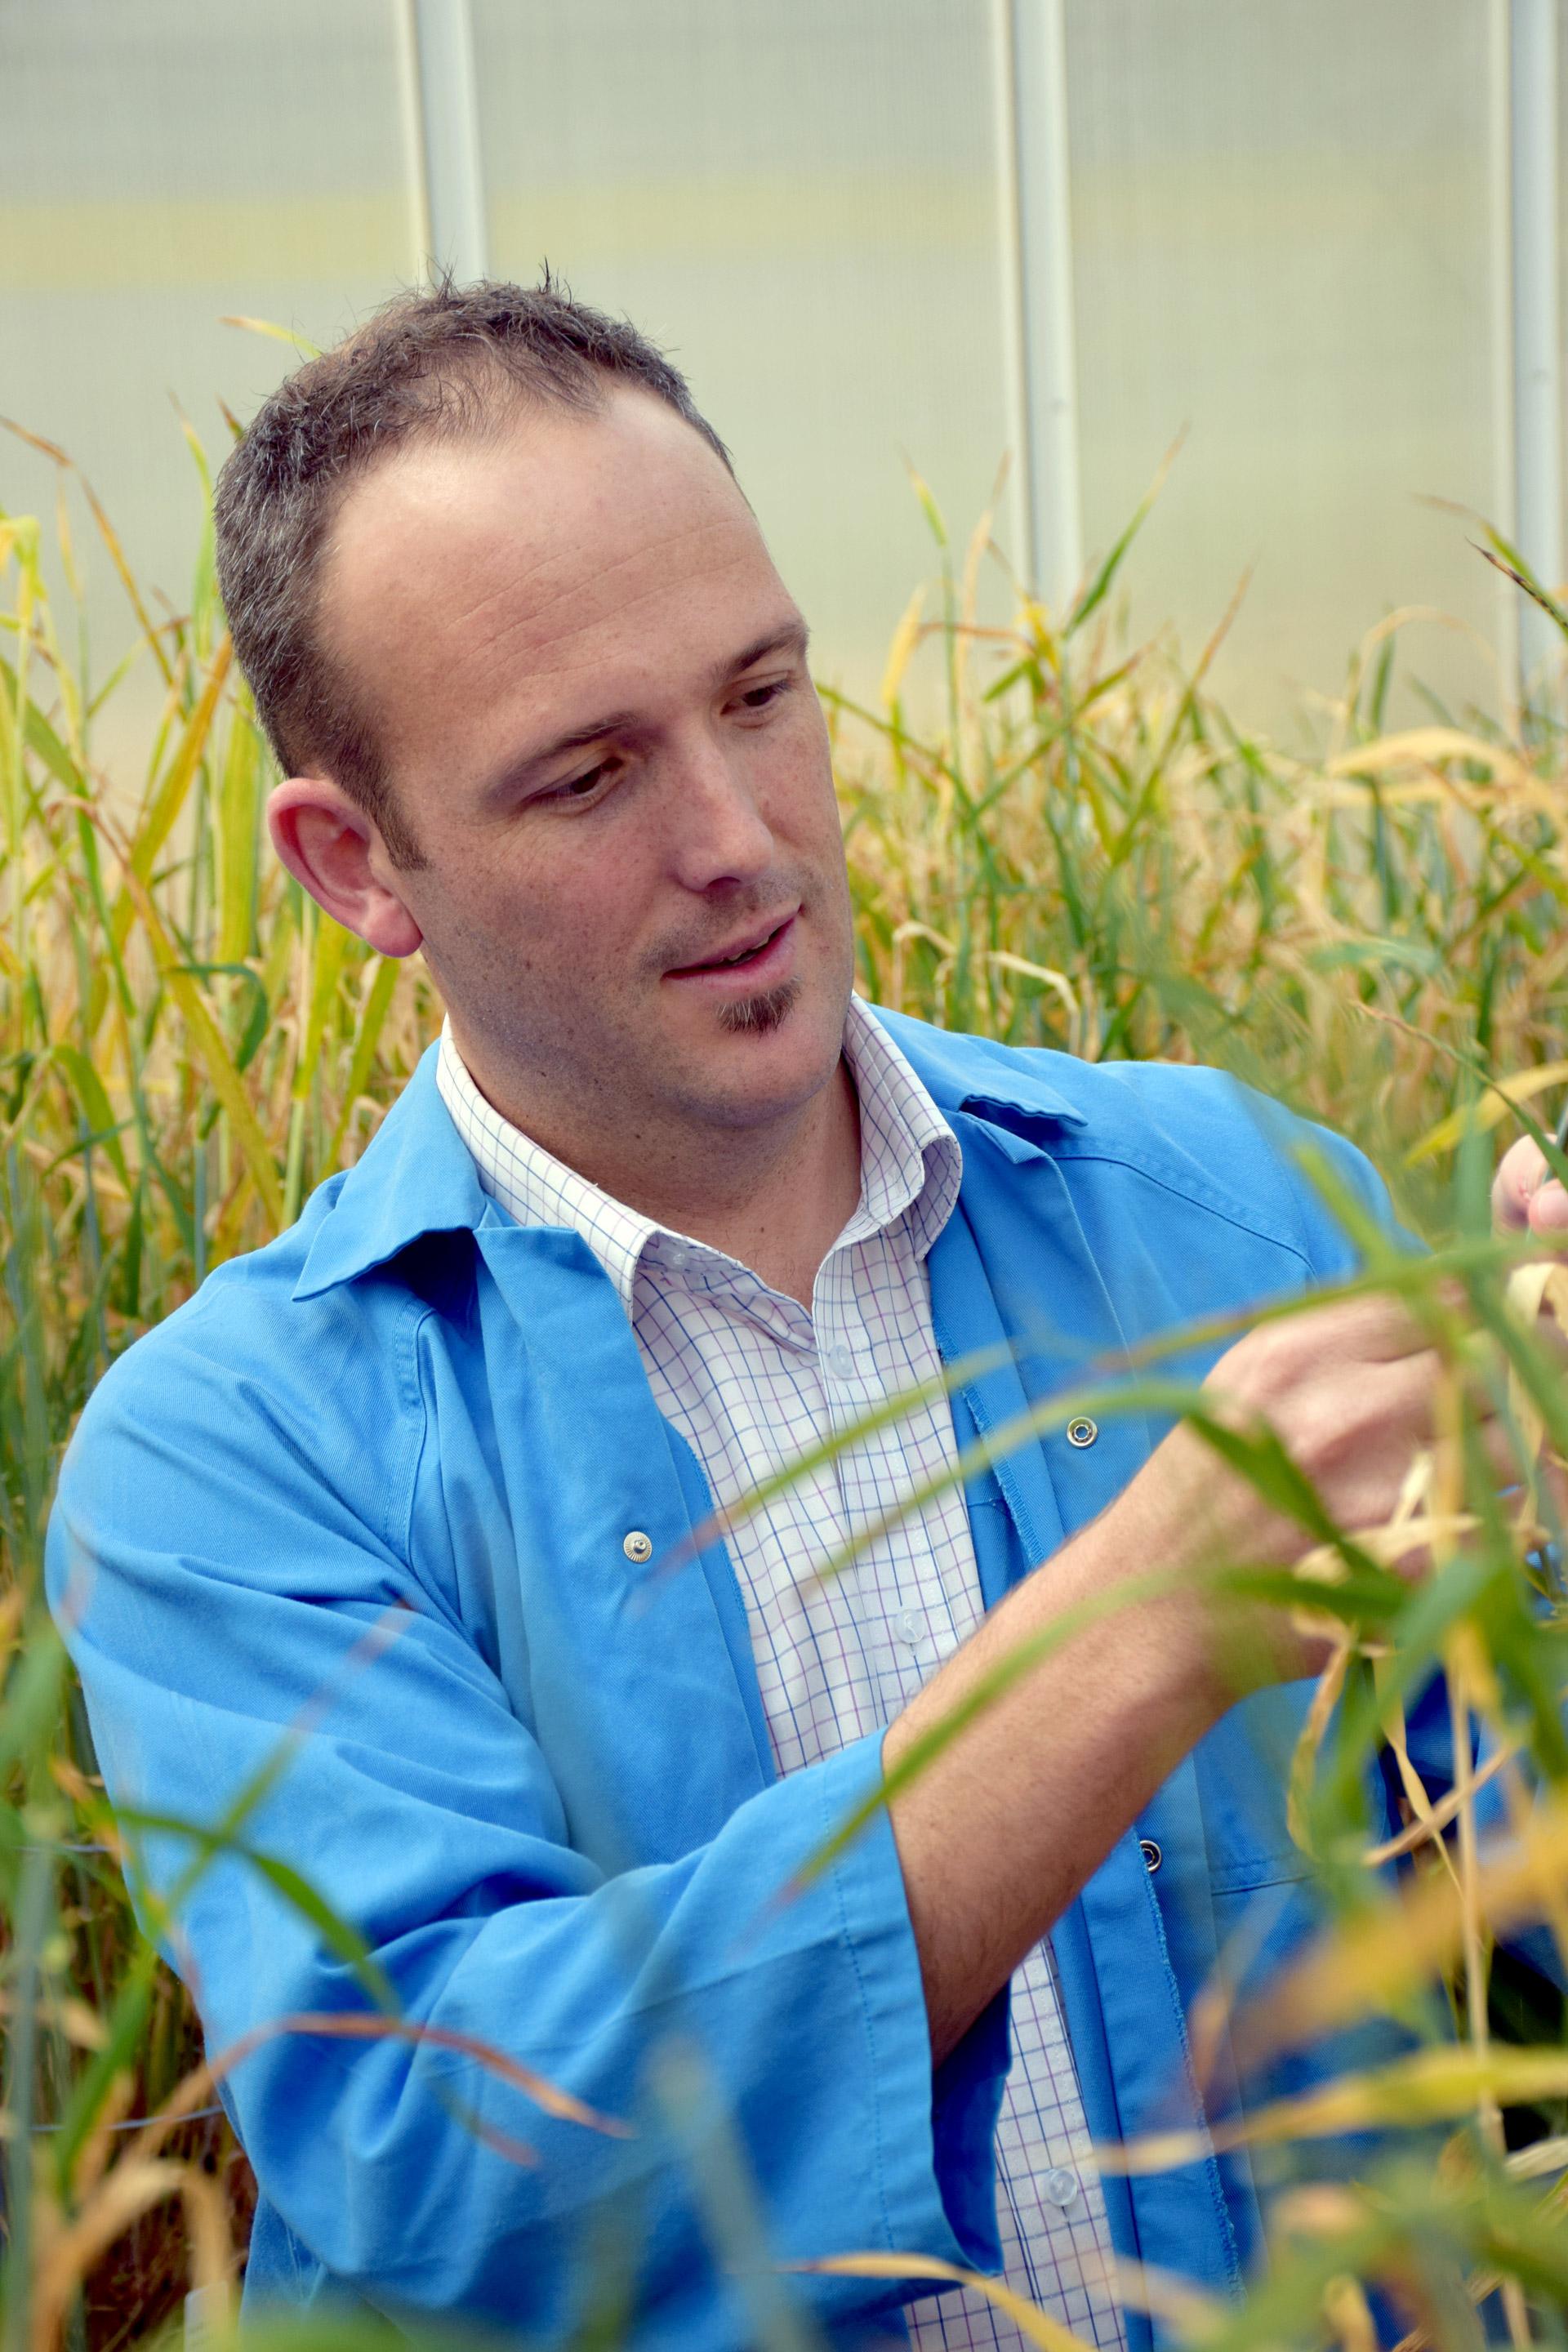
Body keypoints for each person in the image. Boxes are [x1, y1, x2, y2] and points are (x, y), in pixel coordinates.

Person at [46, 279, 1559, 2352]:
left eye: (760, 695)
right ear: (352, 863)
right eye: (586, 778)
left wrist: (1541, 1526)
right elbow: (455, 2174)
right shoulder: (233, 1453)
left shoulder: (1226, 1205)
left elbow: (1515, 1924)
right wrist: (1147, 1617)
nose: (742, 841)